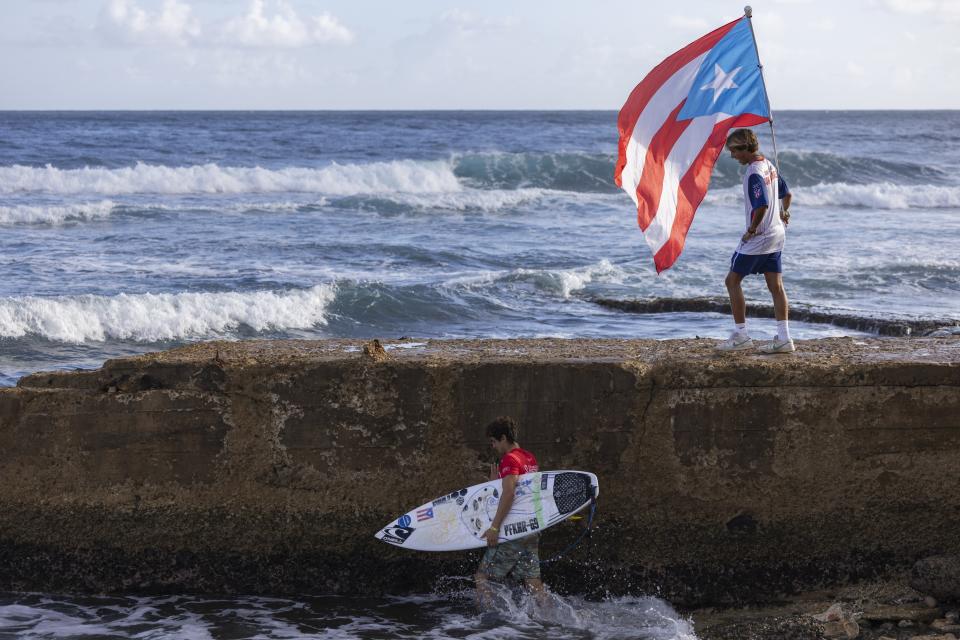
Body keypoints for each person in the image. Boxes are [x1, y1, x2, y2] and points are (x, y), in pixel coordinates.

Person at [716, 128, 795, 354]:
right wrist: (784, 212)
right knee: (776, 287)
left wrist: (751, 230)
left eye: (733, 151)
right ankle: (784, 339)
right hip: (778, 234)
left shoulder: (753, 173)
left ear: (744, 149)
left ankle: (741, 335)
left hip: (760, 237)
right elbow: (786, 195)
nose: (732, 156)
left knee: (732, 281)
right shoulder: (769, 165)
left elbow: (761, 205)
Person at [474, 416, 546, 609]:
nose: (493, 447)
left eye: (493, 442)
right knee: (532, 582)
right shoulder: (529, 457)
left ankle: (486, 622)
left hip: (513, 530)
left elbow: (510, 494)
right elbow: (524, 494)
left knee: (482, 577)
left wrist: (495, 528)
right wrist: (494, 483)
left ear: (503, 438)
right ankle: (551, 620)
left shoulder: (509, 459)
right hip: (531, 529)